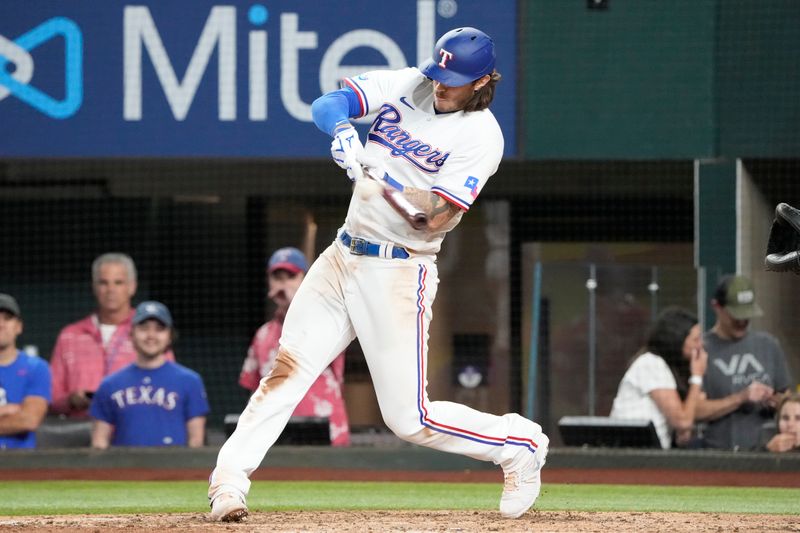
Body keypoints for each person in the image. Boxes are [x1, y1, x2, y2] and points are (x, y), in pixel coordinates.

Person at [209, 27, 548, 522]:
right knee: (287, 369)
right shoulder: (411, 84)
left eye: (453, 80)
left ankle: (518, 444)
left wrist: (383, 184)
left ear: (482, 81)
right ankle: (228, 483)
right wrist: (345, 131)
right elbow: (329, 102)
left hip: (397, 270)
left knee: (409, 418)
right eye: (439, 73)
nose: (440, 85)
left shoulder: (482, 137)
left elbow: (437, 215)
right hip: (341, 255)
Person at [239, 247, 349, 446]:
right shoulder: (262, 334)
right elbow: (253, 388)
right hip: (276, 432)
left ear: (305, 280)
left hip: (325, 427)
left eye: (290, 276)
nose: (283, 283)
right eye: (277, 277)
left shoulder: (326, 320)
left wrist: (296, 302)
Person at [49, 253, 173, 418]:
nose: (111, 290)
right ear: (94, 287)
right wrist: (71, 400)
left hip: (136, 430)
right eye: (103, 283)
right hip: (82, 431)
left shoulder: (149, 333)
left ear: (132, 287)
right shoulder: (70, 335)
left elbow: (171, 385)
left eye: (118, 282)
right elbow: (51, 397)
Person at [90, 301, 209, 448]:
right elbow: (99, 443)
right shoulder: (110, 384)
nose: (151, 335)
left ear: (169, 336)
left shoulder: (190, 381)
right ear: (132, 333)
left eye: (159, 329)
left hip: (175, 468)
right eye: (144, 328)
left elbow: (196, 442)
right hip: (123, 468)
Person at [697, 275, 794, 451]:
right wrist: (741, 397)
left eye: (746, 315)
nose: (742, 322)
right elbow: (695, 411)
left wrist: (776, 401)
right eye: (736, 316)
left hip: (767, 452)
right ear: (717, 307)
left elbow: (788, 400)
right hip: (719, 454)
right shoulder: (703, 349)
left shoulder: (768, 345)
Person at [610, 307, 707, 449]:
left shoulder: (669, 369)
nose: (700, 345)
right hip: (631, 452)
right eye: (695, 339)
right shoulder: (651, 363)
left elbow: (681, 422)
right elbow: (683, 421)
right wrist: (697, 377)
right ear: (677, 340)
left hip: (653, 453)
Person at [0, 294, 51, 449]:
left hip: (20, 465)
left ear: (19, 326)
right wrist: (6, 411)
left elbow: (29, 420)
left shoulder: (36, 368)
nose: (0, 324)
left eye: (7, 318)